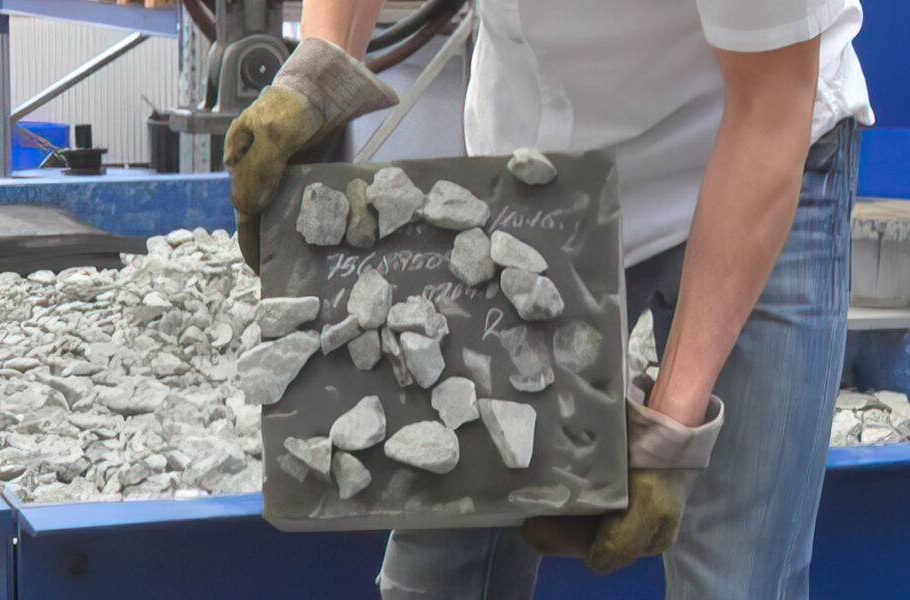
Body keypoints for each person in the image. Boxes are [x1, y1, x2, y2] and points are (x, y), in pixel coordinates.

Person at [223, 0, 873, 597]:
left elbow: (770, 109)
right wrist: (318, 75)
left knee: (733, 579)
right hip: (534, 167)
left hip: (749, 145)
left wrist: (672, 430)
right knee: (443, 571)